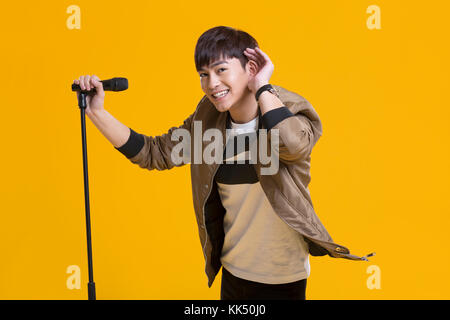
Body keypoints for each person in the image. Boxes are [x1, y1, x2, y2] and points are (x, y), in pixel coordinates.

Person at [74, 26, 373, 300]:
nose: (211, 83)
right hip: (233, 272)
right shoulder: (207, 121)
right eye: (204, 74)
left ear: (251, 68)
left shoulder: (288, 109)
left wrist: (263, 87)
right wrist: (96, 112)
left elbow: (294, 146)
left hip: (284, 276)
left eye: (221, 70)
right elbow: (155, 153)